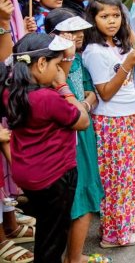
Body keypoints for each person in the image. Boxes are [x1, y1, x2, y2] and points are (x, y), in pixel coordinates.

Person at [2, 33, 89, 262]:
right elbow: (83, 120)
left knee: (46, 227)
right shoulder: (47, 98)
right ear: (41, 63)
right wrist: (63, 86)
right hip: (54, 177)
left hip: (29, 175)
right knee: (53, 239)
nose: (60, 69)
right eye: (56, 64)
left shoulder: (9, 92)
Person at [82, 0, 135, 248]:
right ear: (93, 19)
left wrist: (130, 32)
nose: (111, 21)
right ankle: (115, 235)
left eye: (116, 16)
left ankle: (122, 228)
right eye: (104, 16)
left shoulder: (118, 44)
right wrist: (125, 65)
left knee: (129, 177)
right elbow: (106, 93)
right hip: (111, 122)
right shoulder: (94, 51)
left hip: (128, 118)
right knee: (116, 182)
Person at [44, 9, 107, 263]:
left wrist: (87, 105)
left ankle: (74, 254)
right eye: (70, 31)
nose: (78, 35)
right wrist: (80, 107)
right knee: (78, 193)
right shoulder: (50, 67)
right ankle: (74, 257)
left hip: (85, 131)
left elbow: (91, 91)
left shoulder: (79, 60)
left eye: (79, 30)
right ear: (54, 36)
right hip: (68, 137)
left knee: (85, 187)